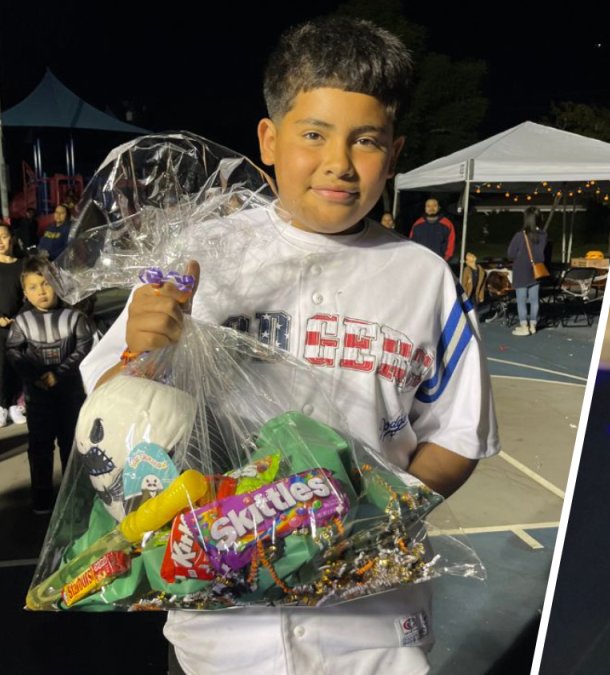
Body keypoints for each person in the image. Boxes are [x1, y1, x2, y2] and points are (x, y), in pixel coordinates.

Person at [78, 16, 499, 674]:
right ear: (269, 141)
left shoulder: (424, 278)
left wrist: (371, 522)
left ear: (395, 153)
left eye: (367, 142)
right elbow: (110, 424)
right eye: (314, 135)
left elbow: (457, 435)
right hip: (220, 634)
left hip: (375, 628)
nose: (339, 162)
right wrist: (140, 350)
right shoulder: (200, 257)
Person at [7, 256, 92, 513]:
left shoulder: (75, 316)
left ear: (57, 284)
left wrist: (60, 373)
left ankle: (74, 495)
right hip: (38, 398)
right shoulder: (22, 323)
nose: (41, 291)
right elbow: (13, 351)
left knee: (72, 444)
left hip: (70, 394)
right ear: (25, 293)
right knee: (40, 446)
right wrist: (34, 376)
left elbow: (84, 346)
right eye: (33, 287)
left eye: (46, 284)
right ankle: (42, 496)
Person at [506, 207, 547, 336]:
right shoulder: (544, 235)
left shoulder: (520, 235)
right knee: (534, 300)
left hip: (521, 270)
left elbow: (510, 254)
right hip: (536, 270)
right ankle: (533, 325)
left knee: (521, 299)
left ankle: (524, 326)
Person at [0, 224, 25, 427]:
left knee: (16, 362)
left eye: (4, 236)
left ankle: (15, 404)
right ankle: (1, 404)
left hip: (17, 325)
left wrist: (19, 317)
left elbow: (28, 297)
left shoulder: (23, 265)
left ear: (12, 239)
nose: (0, 241)